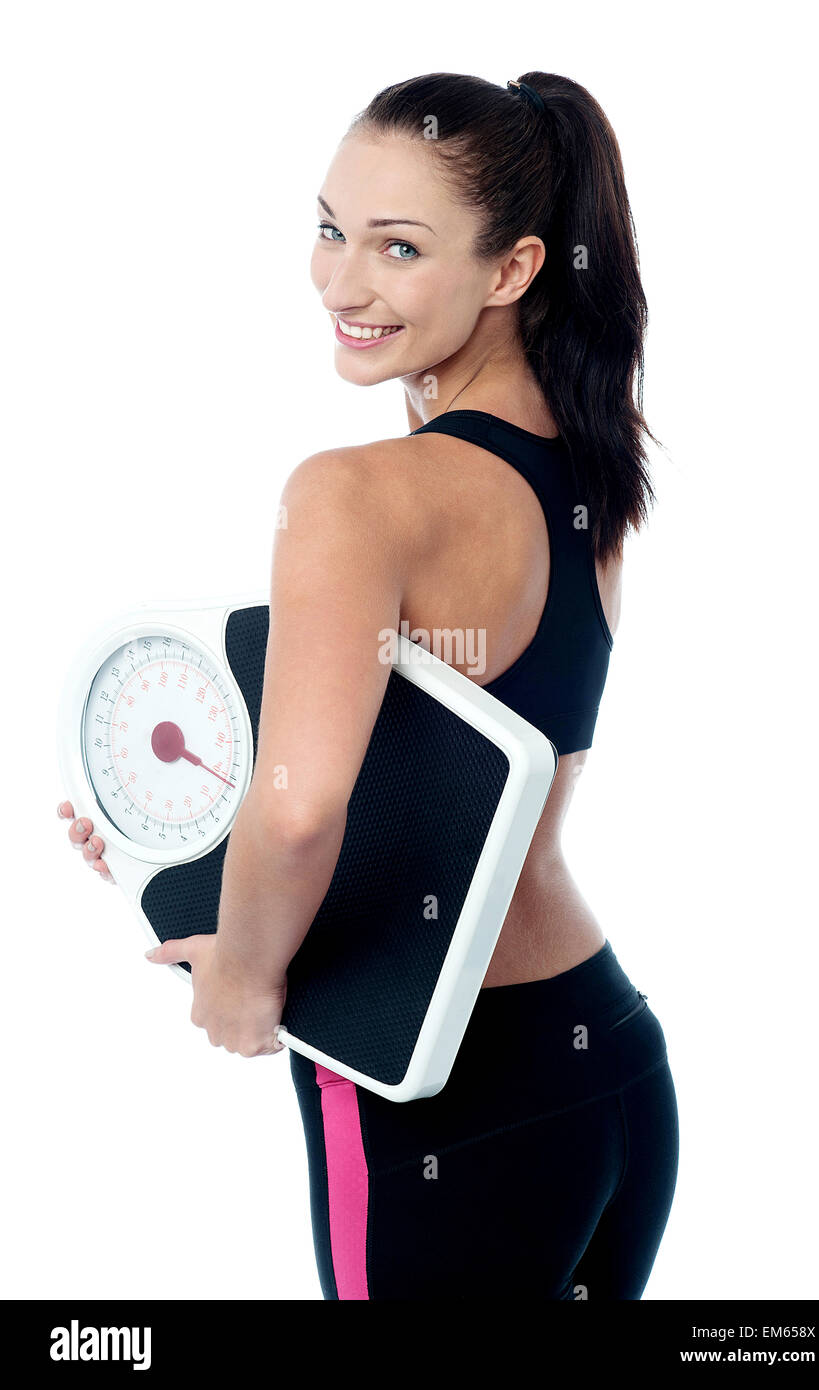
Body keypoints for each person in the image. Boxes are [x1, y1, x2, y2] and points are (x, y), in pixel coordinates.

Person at [58, 70, 679, 1301]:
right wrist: (186, 849)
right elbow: (441, 779)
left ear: (510, 271)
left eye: (398, 248)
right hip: (609, 1065)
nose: (341, 283)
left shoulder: (352, 495)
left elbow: (300, 813)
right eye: (331, 228)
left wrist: (238, 979)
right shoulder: (593, 472)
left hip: (439, 1105)